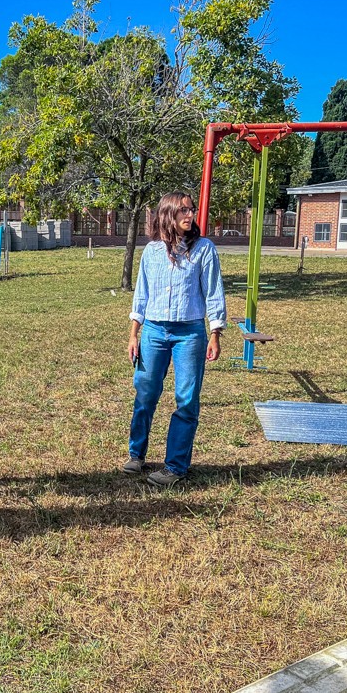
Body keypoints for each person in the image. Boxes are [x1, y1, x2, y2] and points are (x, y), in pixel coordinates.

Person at [124, 191, 227, 487]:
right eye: (183, 210)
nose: (189, 215)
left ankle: (175, 467)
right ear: (167, 213)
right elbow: (141, 295)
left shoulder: (203, 249)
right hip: (154, 332)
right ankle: (136, 454)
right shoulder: (152, 251)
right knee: (145, 393)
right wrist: (134, 334)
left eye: (191, 210)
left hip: (189, 334)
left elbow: (213, 292)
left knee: (187, 400)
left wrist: (214, 334)